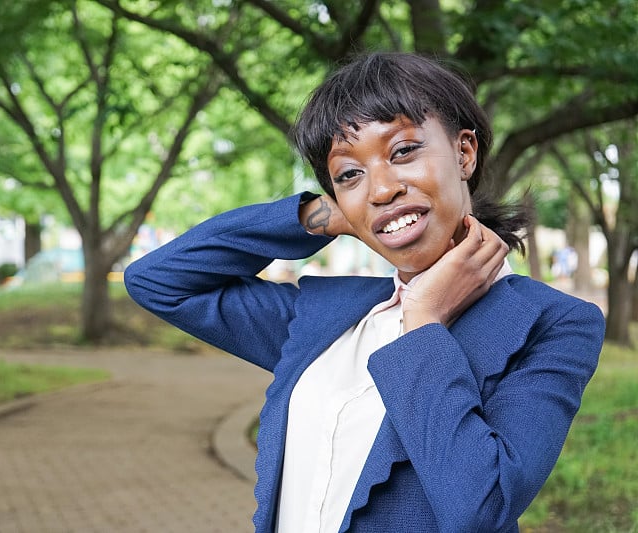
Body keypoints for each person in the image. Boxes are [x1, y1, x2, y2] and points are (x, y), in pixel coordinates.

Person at [124, 52, 604, 533]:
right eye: (349, 174)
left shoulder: (551, 324)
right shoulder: (325, 317)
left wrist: (423, 322)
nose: (381, 189)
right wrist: (324, 217)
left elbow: (480, 510)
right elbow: (159, 281)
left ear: (464, 153)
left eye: (402, 152)